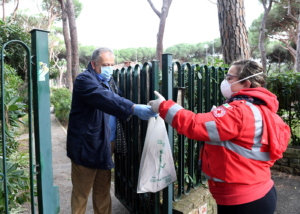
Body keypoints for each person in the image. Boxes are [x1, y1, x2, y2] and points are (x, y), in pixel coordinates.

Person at [148, 60, 290, 214]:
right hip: (259, 191)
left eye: (230, 79)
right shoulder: (262, 109)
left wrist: (163, 107)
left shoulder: (239, 111)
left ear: (246, 84)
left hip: (242, 201)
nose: (225, 82)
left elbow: (195, 125)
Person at [67, 47, 157, 214]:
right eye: (105, 64)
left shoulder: (109, 81)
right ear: (93, 64)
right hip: (86, 146)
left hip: (107, 144)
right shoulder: (84, 80)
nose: (109, 68)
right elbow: (104, 98)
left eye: (111, 64)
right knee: (81, 194)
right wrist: (134, 108)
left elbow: (116, 99)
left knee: (103, 191)